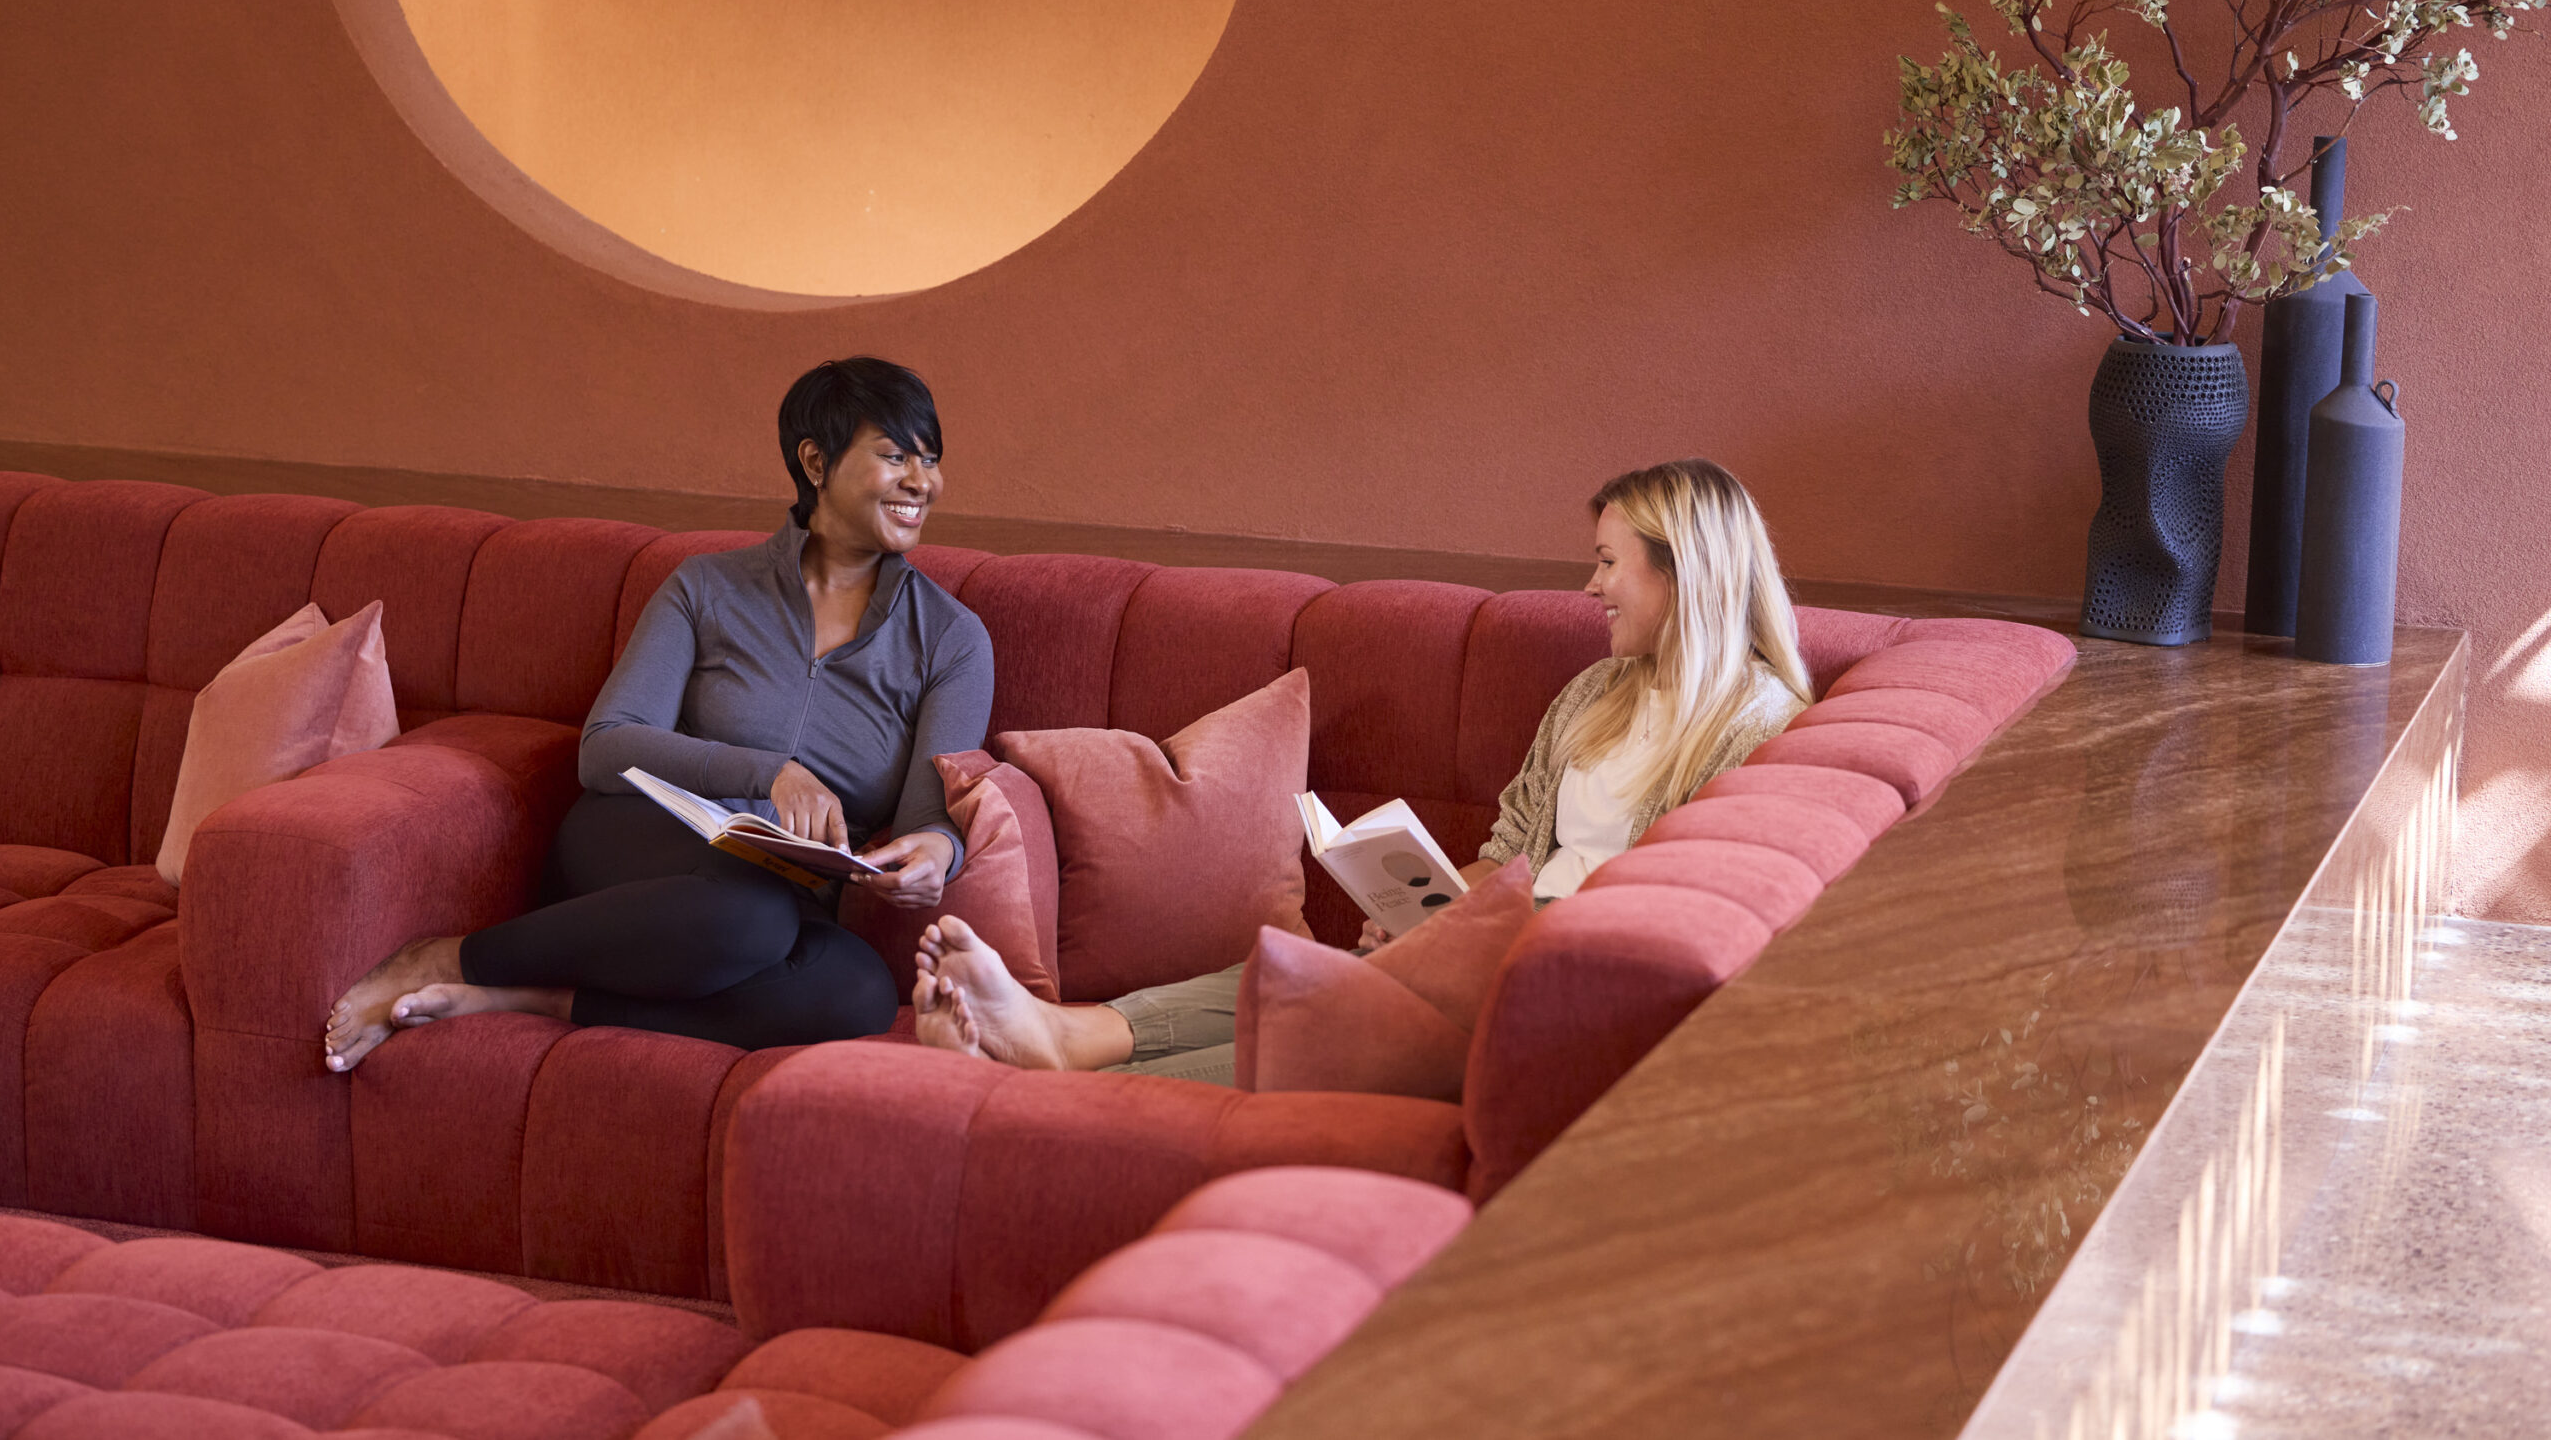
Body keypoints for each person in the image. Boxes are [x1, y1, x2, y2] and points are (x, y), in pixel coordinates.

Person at [910, 456, 1810, 1085]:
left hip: (1561, 987)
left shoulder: (1760, 728)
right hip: (1494, 945)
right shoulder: (1595, 694)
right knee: (1307, 970)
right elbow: (1506, 851)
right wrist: (1427, 909)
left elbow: (1686, 917)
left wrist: (1476, 940)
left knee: (1336, 1015)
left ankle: (1056, 1083)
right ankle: (1060, 1038)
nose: (1590, 587)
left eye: (1610, 562)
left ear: (1682, 571)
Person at [322, 357, 992, 1071]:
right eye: (896, 457)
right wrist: (773, 774)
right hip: (643, 847)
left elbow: (929, 818)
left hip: (780, 892)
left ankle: (530, 998)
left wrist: (932, 857)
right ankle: (450, 956)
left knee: (856, 991)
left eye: (930, 460)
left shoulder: (952, 640)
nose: (923, 482)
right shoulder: (706, 588)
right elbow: (606, 747)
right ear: (815, 462)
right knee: (745, 918)